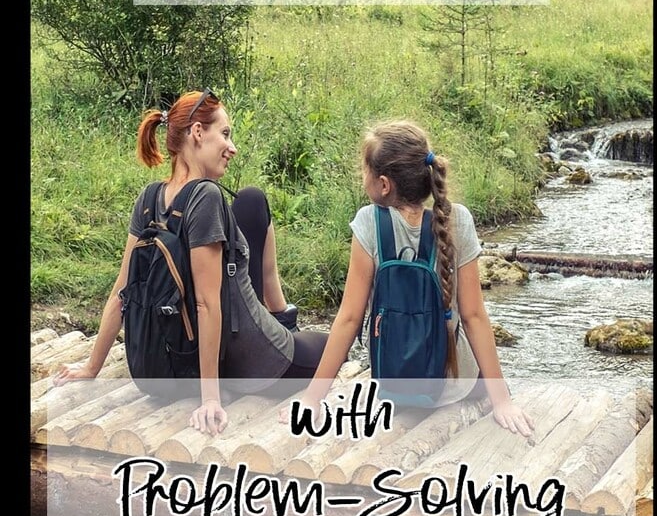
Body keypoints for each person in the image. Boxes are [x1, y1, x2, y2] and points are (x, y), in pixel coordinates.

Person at [53, 88, 329, 435]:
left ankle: (281, 317)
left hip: (173, 359)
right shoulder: (207, 197)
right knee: (332, 345)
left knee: (249, 200)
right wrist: (210, 398)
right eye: (225, 134)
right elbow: (206, 304)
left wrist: (93, 367)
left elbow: (120, 291)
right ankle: (284, 325)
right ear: (197, 132)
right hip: (254, 363)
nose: (232, 147)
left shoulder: (150, 198)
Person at [280, 119, 534, 437]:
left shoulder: (369, 223)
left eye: (364, 171)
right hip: (454, 387)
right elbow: (473, 316)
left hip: (392, 383)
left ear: (384, 184)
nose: (363, 178)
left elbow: (348, 319)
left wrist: (311, 399)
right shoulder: (459, 220)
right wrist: (503, 402)